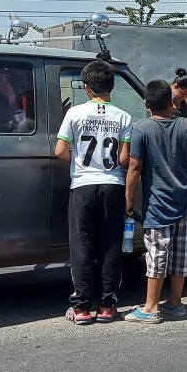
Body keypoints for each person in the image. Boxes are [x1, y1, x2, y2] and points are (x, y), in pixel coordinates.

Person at [124, 80, 187, 324]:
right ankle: (175, 302)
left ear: (146, 103)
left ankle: (150, 308)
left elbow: (135, 166)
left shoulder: (142, 129)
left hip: (158, 206)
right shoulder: (185, 126)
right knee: (182, 255)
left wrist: (127, 200)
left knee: (157, 255)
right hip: (185, 203)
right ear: (171, 101)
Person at [54, 60, 132, 325]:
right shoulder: (124, 117)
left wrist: (80, 161)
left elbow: (60, 151)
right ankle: (107, 305)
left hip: (84, 185)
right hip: (113, 185)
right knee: (110, 244)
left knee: (82, 244)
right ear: (112, 86)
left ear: (87, 88)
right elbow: (123, 158)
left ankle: (82, 307)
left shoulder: (74, 114)